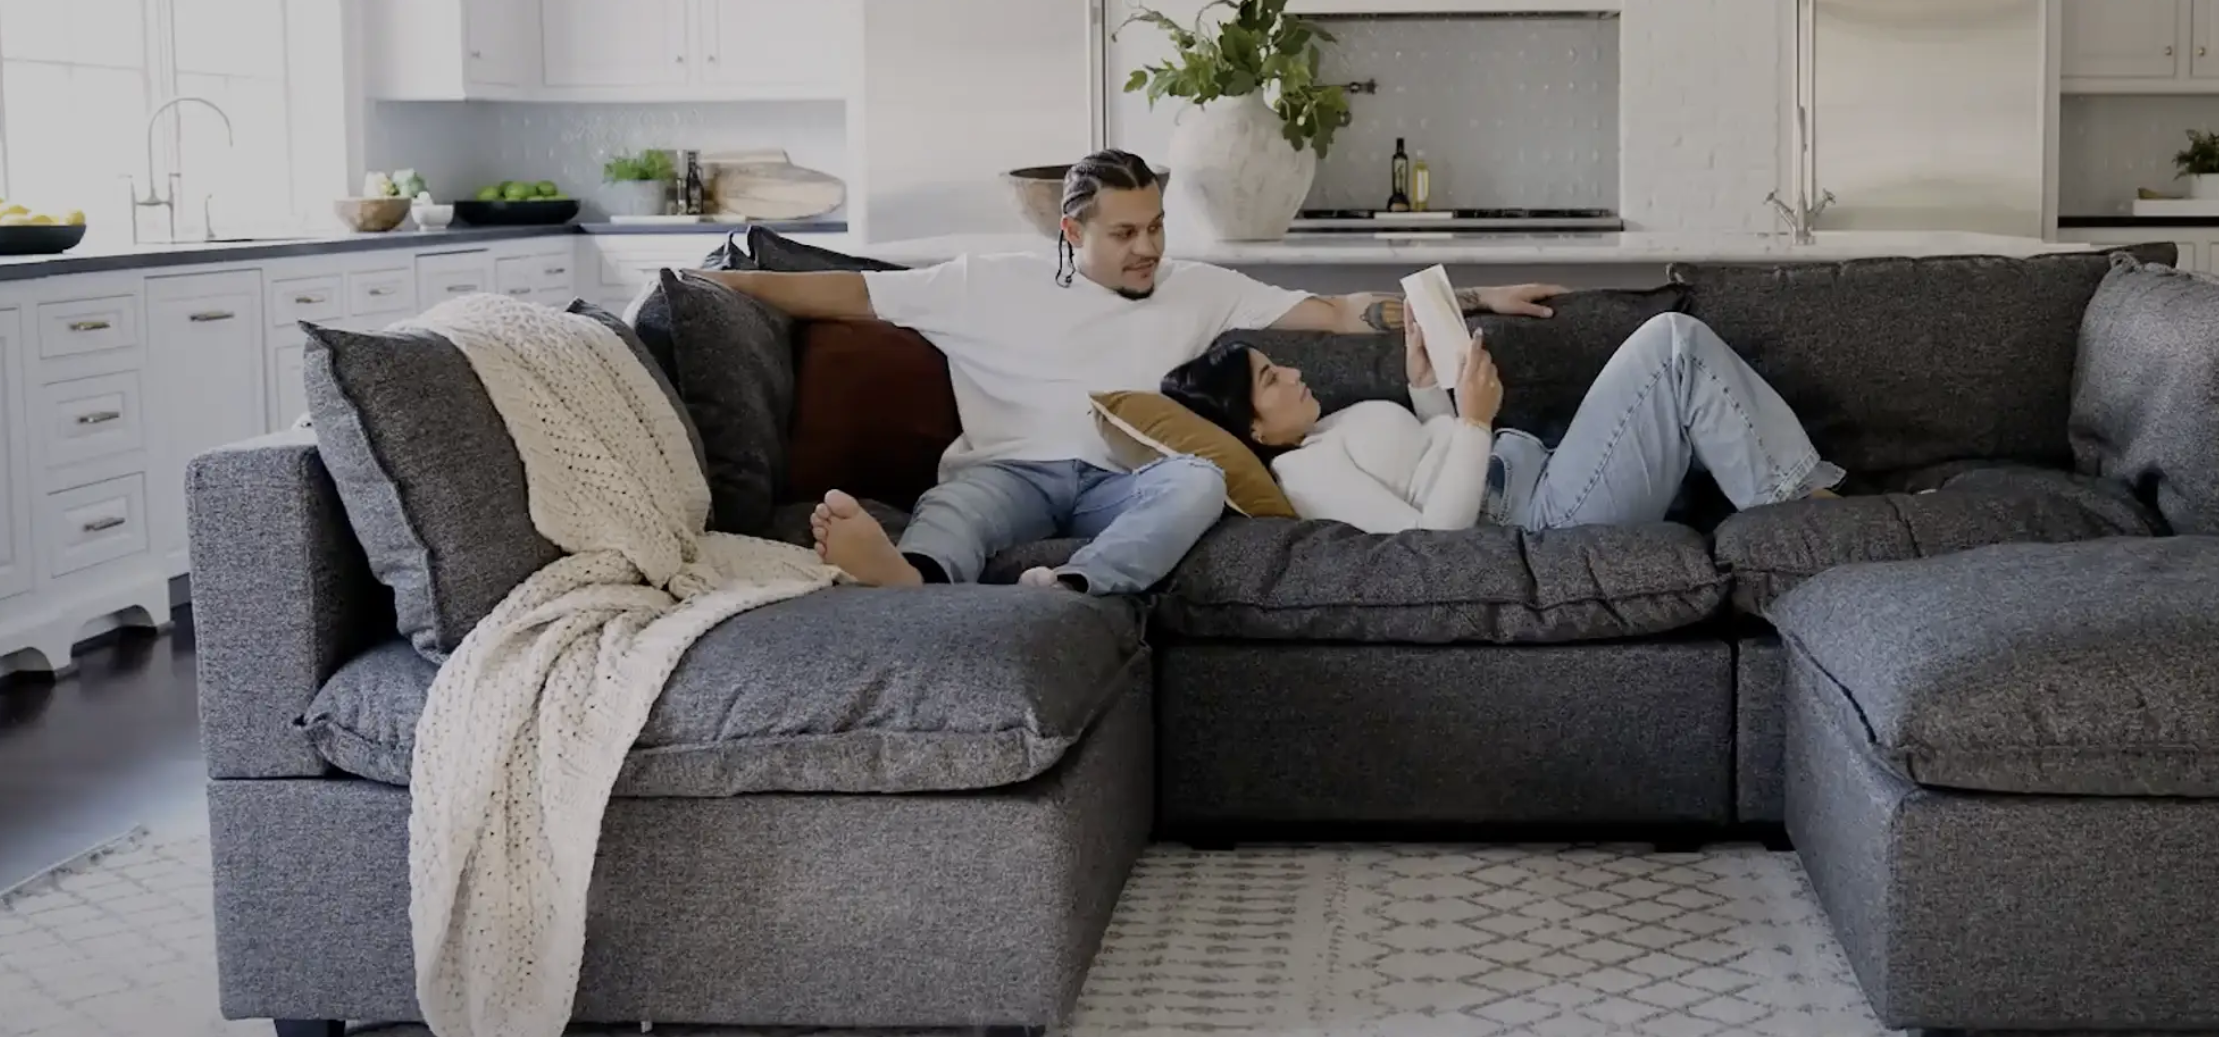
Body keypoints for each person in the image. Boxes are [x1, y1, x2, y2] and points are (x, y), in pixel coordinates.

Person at [696, 149, 1564, 593]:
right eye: (1124, 232)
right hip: (1014, 471)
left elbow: (1338, 313)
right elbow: (844, 294)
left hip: (1128, 479)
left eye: (1155, 226)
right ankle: (906, 580)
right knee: (956, 505)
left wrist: (1475, 295)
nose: (1148, 246)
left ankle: (1076, 587)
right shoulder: (983, 283)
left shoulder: (1199, 289)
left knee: (1193, 483)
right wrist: (706, 282)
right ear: (1072, 234)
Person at [1160, 311, 1845, 533]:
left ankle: (1805, 512)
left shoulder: (1318, 433)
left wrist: (1426, 387)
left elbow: (1421, 461)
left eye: (1279, 363)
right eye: (1271, 379)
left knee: (1691, 390)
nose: (1295, 372)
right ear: (1249, 427)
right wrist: (1477, 422)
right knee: (1673, 344)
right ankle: (1811, 522)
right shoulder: (1301, 472)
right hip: (1541, 514)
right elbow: (1432, 541)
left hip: (1540, 472)